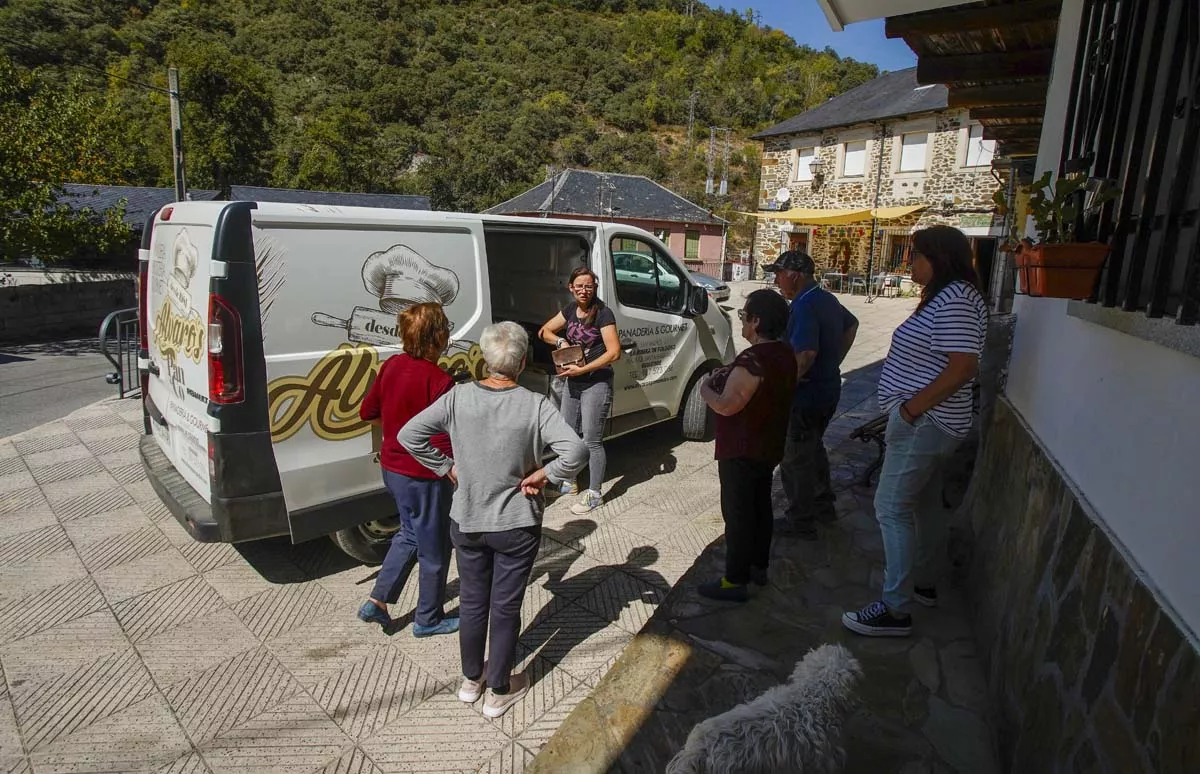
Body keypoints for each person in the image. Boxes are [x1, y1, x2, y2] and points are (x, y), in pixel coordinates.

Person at [400, 321, 587, 718]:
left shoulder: (457, 397)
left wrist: (446, 467)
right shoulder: (535, 404)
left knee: (472, 602)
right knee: (504, 607)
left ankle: (472, 680)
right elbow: (576, 450)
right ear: (521, 363)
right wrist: (547, 475)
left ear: (486, 359)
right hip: (516, 524)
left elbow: (409, 435)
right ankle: (498, 688)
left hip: (467, 520)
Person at [842, 225, 988, 638]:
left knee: (890, 507)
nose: (910, 262)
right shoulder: (949, 296)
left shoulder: (956, 297)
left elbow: (963, 367)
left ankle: (895, 608)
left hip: (926, 423)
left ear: (938, 258)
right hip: (932, 422)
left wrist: (908, 410)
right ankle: (922, 582)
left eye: (916, 255)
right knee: (923, 506)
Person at [356, 302, 459, 637]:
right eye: (445, 327)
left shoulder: (392, 366)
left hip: (393, 468)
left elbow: (367, 411)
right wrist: (454, 471)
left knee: (409, 534)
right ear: (437, 337)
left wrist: (396, 429)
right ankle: (428, 619)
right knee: (435, 550)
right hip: (425, 477)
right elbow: (445, 440)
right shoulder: (440, 381)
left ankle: (378, 601)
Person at [696, 289, 796, 602]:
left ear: (756, 322)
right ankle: (758, 567)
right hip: (768, 445)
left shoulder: (753, 359)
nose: (742, 321)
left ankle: (734, 580)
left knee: (738, 514)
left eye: (744, 316)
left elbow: (728, 405)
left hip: (742, 449)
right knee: (760, 507)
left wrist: (705, 390)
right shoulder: (785, 353)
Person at [765, 250, 859, 540]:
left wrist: (784, 388)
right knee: (813, 450)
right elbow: (851, 325)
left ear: (795, 275)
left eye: (779, 274)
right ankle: (823, 505)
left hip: (807, 396)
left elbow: (805, 353)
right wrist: (833, 362)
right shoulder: (825, 298)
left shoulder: (805, 305)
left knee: (794, 459)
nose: (776, 280)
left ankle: (800, 521)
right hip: (827, 388)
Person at [537, 266, 621, 515]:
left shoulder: (604, 314)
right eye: (579, 286)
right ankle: (570, 482)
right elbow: (545, 331)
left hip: (596, 382)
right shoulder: (570, 310)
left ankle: (595, 494)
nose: (584, 290)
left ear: (594, 288)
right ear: (571, 288)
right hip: (572, 382)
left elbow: (614, 352)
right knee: (568, 435)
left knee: (592, 440)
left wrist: (583, 370)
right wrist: (561, 341)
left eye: (589, 286)